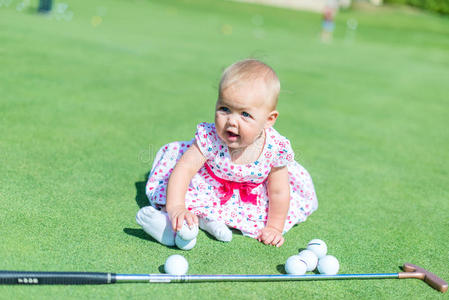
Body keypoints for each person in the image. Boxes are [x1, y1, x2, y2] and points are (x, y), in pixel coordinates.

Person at [136, 59, 318, 248]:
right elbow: (185, 169)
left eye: (245, 114)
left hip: (249, 197)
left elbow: (279, 191)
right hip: (207, 185)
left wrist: (274, 227)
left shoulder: (274, 148)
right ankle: (170, 223)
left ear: (269, 120)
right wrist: (176, 207)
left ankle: (207, 221)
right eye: (225, 109)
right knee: (177, 193)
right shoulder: (211, 137)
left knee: (272, 210)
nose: (231, 121)